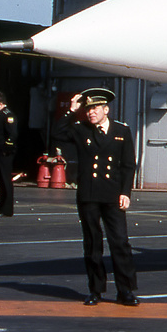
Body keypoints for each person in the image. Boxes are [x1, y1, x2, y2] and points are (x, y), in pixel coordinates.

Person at [52, 88, 139, 306]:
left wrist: (125, 192)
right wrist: (72, 110)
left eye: (95, 109)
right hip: (89, 195)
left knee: (120, 242)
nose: (91, 113)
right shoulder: (81, 130)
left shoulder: (122, 131)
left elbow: (128, 166)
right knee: (92, 244)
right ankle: (96, 289)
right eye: (88, 108)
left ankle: (125, 290)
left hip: (112, 195)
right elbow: (58, 133)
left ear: (105, 110)